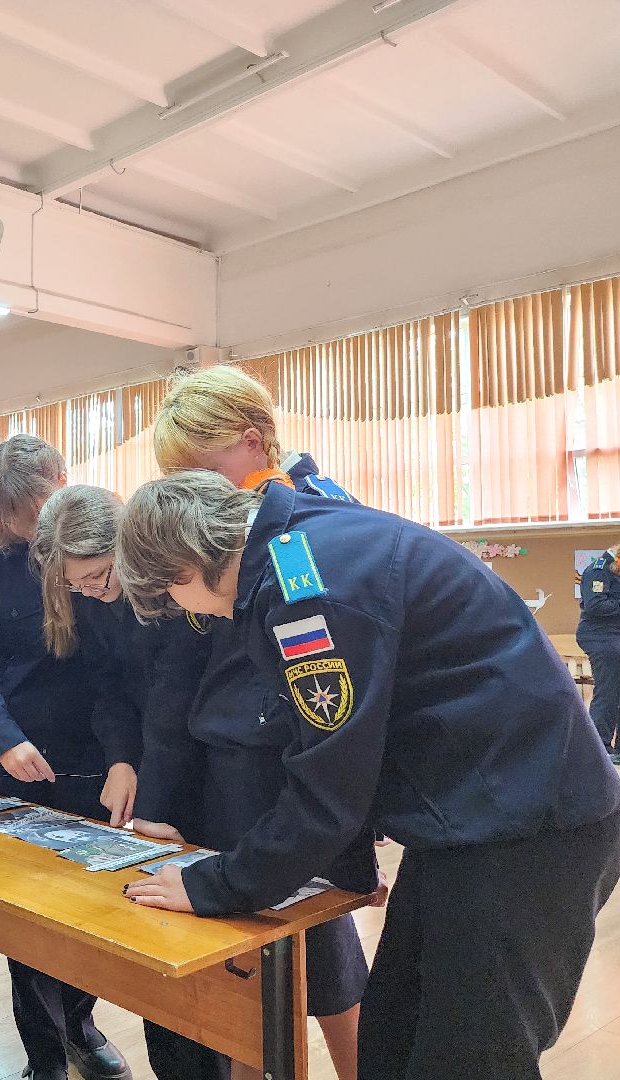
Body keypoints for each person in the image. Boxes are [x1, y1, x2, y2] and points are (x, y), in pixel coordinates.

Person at [116, 469, 620, 1080]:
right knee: (391, 1041)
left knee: (472, 1056)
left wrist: (214, 885)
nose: (194, 614)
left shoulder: (305, 597)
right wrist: (345, 870)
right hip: (471, 817)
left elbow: (329, 779)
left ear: (181, 571)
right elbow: (346, 741)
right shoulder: (301, 542)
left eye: (175, 600)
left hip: (530, 827)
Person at [150, 364, 369, 1079]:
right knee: (250, 962)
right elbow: (181, 668)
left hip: (299, 768)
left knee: (323, 953)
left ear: (250, 442)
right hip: (235, 767)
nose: (192, 491)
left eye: (200, 469)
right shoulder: (226, 525)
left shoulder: (309, 521)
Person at [0, 435, 130, 1080]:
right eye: (16, 517)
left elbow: (115, 666)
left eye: (36, 511)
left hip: (90, 752)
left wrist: (121, 756)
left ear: (59, 483)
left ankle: (81, 1023)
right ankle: (44, 1054)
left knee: (94, 902)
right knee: (26, 914)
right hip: (14, 756)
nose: (29, 529)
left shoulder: (99, 544)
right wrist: (5, 737)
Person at [30, 484, 228, 1080]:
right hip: (150, 760)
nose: (89, 590)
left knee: (199, 960)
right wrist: (120, 759)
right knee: (156, 951)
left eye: (95, 574)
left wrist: (157, 804)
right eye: (76, 583)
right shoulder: (92, 596)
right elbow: (107, 684)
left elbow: (174, 702)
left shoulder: (171, 585)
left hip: (202, 769)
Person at [152, 365, 354, 503]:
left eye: (209, 477)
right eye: (183, 485)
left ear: (252, 443)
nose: (197, 497)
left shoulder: (318, 506)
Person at [577, 545, 620, 765]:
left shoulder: (614, 571)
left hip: (614, 637)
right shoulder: (597, 571)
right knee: (609, 692)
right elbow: (595, 605)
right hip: (600, 637)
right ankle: (599, 749)